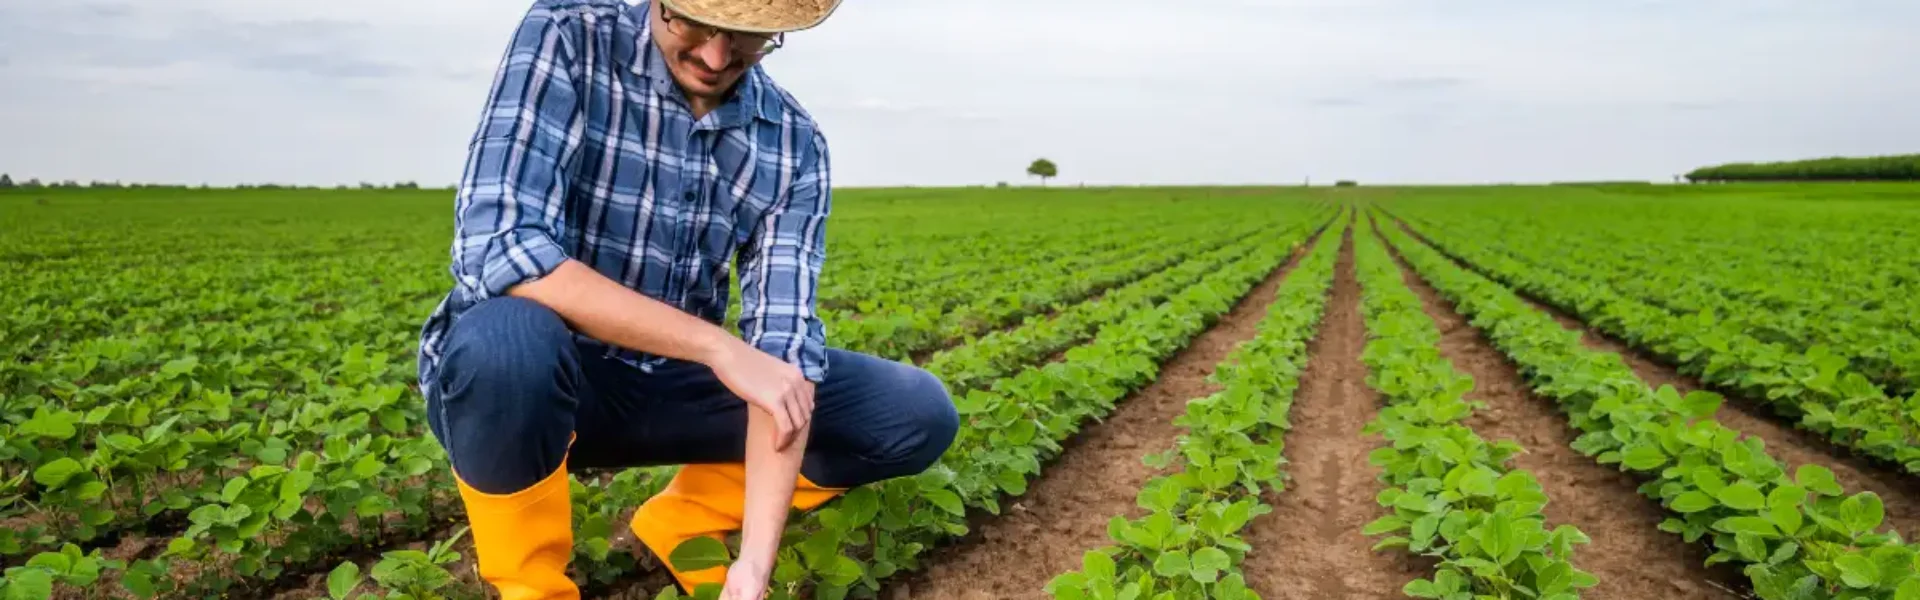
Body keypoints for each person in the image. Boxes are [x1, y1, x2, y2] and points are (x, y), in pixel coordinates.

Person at [412, 0, 960, 598]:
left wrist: (753, 565)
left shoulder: (792, 142)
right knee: (505, 340)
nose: (716, 56)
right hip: (543, 387)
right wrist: (717, 346)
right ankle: (531, 587)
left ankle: (686, 519)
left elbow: (786, 350)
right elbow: (500, 247)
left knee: (911, 411)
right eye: (694, 24)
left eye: (748, 37)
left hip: (672, 385)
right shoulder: (569, 38)